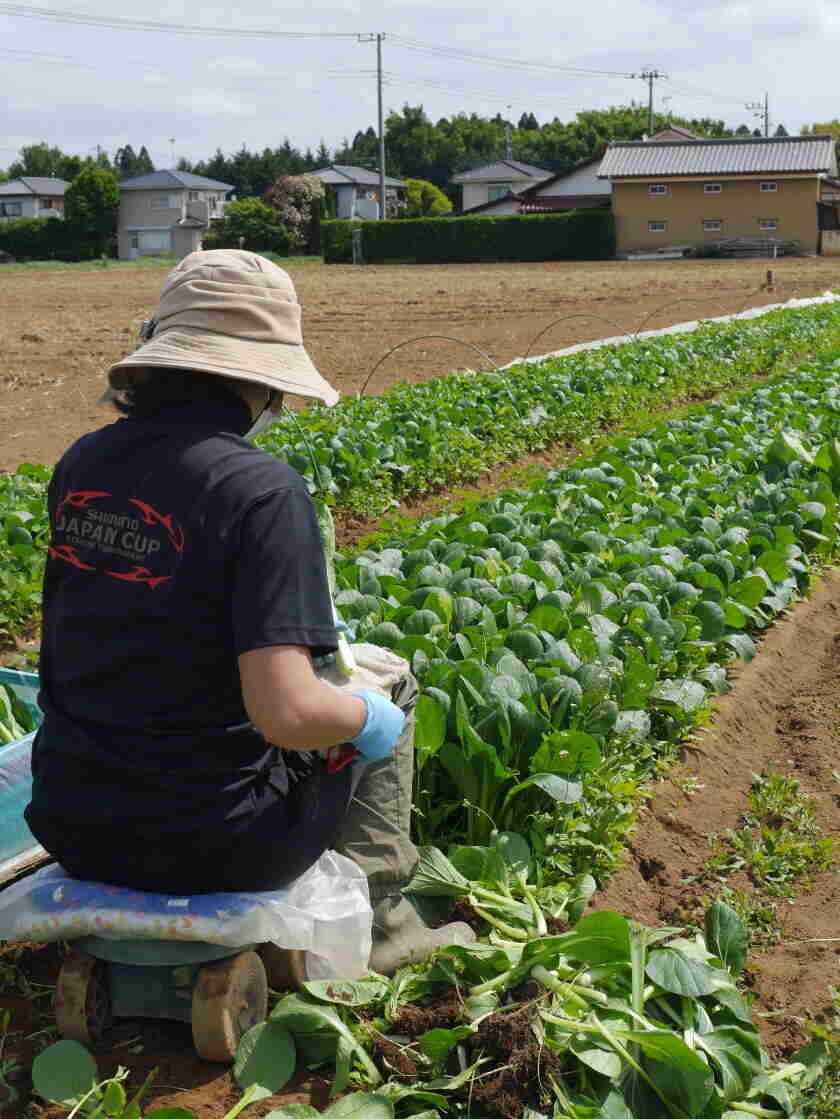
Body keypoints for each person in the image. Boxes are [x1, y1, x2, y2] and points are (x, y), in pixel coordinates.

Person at [24, 249, 473, 976]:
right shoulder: (261, 491)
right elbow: (286, 714)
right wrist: (367, 719)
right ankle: (387, 927)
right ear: (262, 379)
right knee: (391, 685)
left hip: (72, 820)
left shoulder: (82, 464)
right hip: (219, 843)